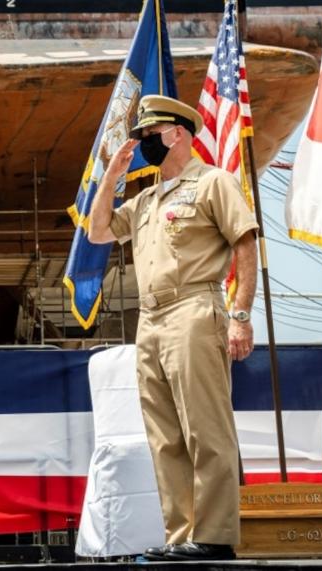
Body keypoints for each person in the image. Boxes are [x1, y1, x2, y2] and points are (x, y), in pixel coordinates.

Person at [87, 94, 257, 561]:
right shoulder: (144, 200)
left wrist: (240, 314)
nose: (143, 144)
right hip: (150, 318)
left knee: (206, 428)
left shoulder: (212, 183)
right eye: (140, 137)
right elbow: (98, 231)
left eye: (149, 135)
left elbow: (245, 243)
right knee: (165, 435)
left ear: (177, 133)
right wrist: (111, 177)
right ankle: (183, 535)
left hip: (194, 309)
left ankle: (216, 535)